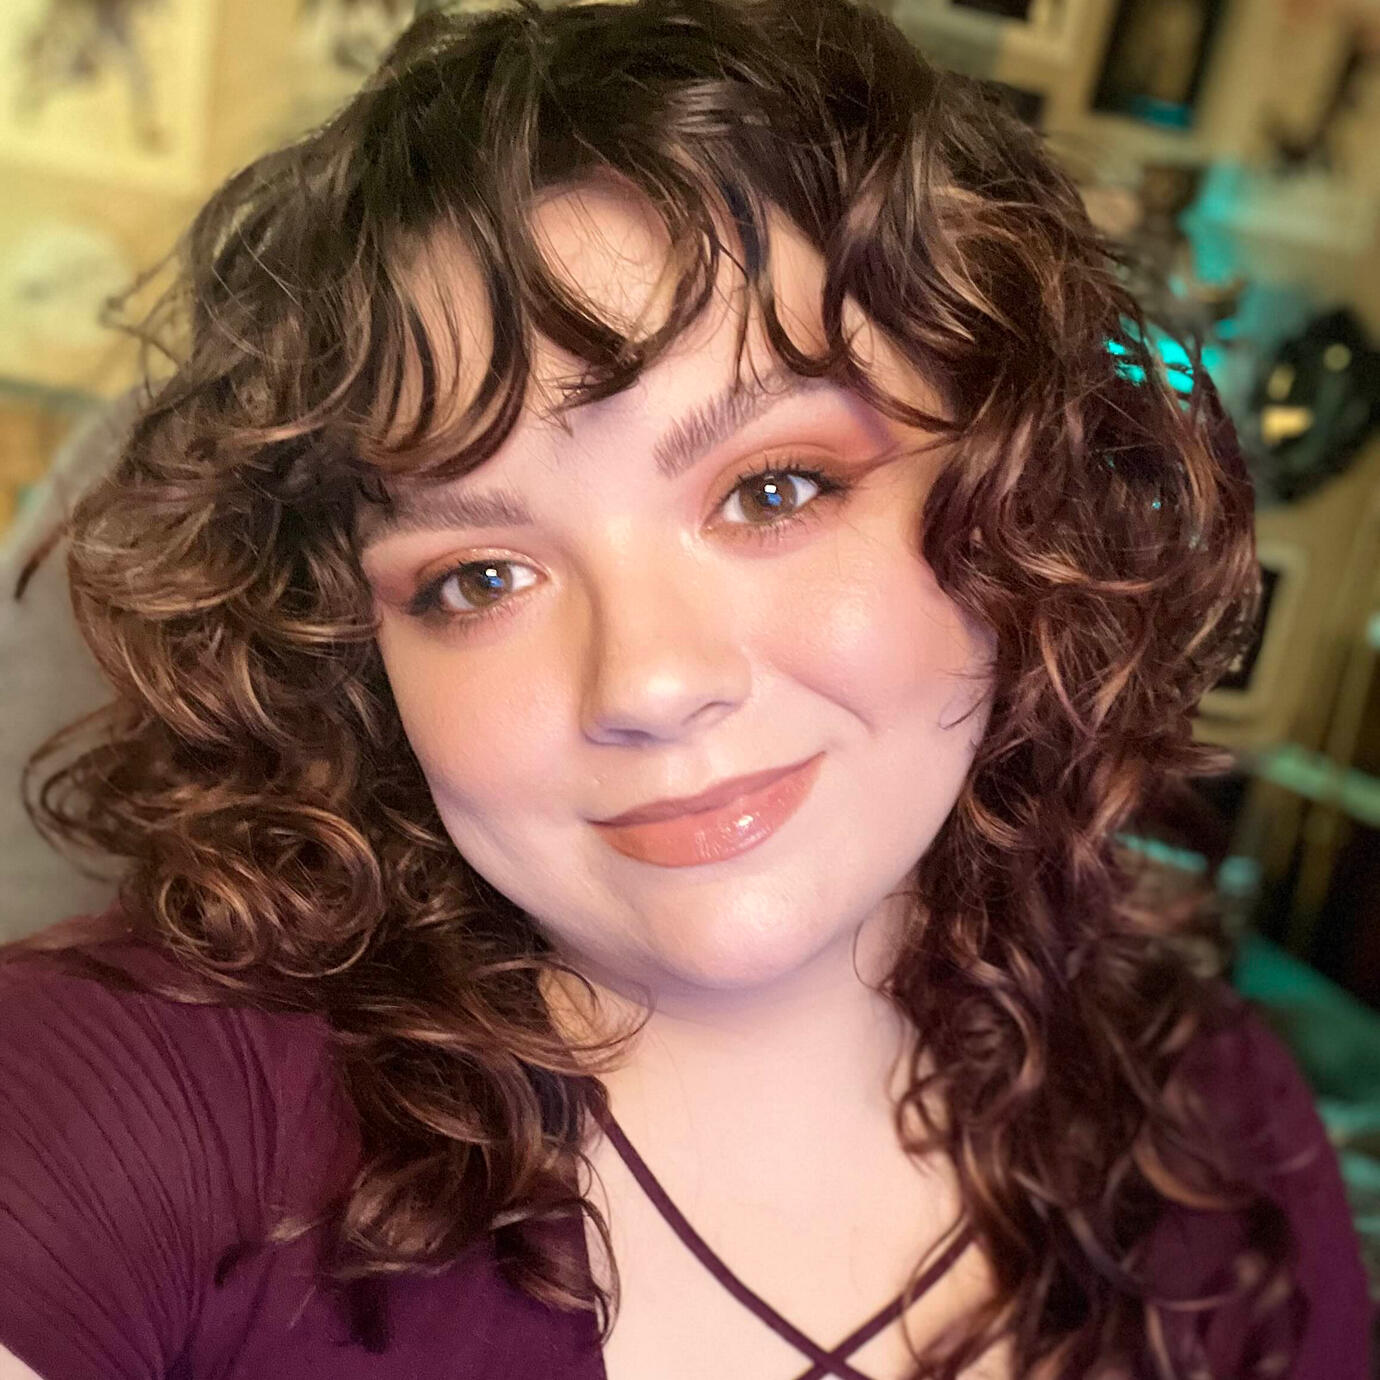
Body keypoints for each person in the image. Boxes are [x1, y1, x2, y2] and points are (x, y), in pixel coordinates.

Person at [0, 0, 1371, 1375]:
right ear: (363, 662)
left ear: (1016, 502)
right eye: (478, 578)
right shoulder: (160, 1104)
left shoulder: (1217, 1111)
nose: (648, 682)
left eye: (777, 489)